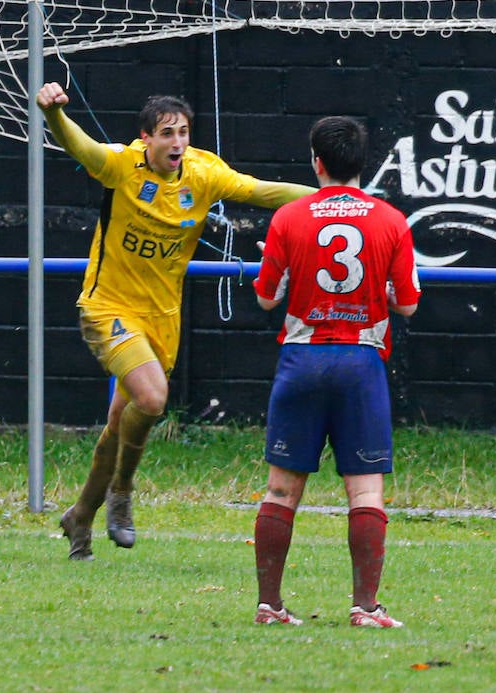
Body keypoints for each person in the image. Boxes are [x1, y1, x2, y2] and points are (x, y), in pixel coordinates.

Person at [35, 81, 315, 561]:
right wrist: (55, 115)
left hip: (164, 317)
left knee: (120, 420)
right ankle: (121, 493)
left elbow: (265, 192)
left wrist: (336, 199)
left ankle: (80, 515)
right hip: (109, 307)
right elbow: (78, 145)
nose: (178, 142)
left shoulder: (204, 173)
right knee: (151, 397)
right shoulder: (121, 166)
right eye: (167, 133)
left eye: (183, 132)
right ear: (146, 138)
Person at [250, 116, 420, 629]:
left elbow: (265, 297)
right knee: (364, 492)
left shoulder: (289, 217)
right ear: (360, 163)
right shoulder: (390, 220)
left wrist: (280, 270)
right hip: (360, 361)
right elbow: (407, 305)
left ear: (316, 161)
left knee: (281, 491)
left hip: (302, 359)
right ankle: (365, 607)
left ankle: (269, 606)